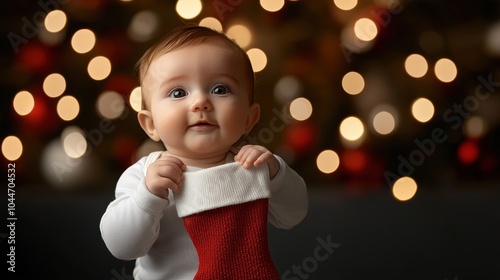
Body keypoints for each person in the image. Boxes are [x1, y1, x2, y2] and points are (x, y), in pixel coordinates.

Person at [100, 25, 308, 280]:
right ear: (150, 124)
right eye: (178, 93)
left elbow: (294, 215)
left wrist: (276, 173)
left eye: (220, 89)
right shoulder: (145, 175)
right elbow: (122, 247)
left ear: (248, 118)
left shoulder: (251, 166)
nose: (200, 102)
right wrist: (148, 196)